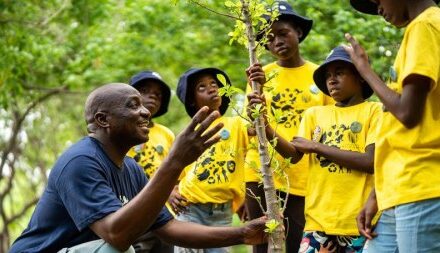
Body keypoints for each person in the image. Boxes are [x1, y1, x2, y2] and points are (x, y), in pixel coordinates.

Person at [9, 83, 267, 253]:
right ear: (102, 119)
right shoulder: (80, 161)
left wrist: (242, 233)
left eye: (143, 105)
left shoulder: (131, 170)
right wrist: (175, 163)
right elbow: (117, 234)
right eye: (133, 105)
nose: (146, 112)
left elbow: (170, 229)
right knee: (120, 248)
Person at [248, 46, 381, 252]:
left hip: (358, 221)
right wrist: (264, 124)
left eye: (339, 73)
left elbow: (370, 162)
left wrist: (317, 147)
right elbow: (293, 155)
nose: (332, 79)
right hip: (318, 221)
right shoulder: (314, 114)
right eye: (328, 75)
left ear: (361, 77)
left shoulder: (375, 111)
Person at [346, 0, 440, 252]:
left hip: (422, 187)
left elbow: (407, 113)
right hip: (399, 190)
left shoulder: (425, 26)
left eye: (377, 0)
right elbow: (399, 130)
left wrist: (364, 69)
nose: (377, 9)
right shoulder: (421, 28)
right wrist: (376, 196)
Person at [244, 1, 332, 252]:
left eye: (283, 33)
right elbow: (250, 128)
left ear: (299, 33)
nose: (277, 42)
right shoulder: (259, 76)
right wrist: (255, 93)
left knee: (295, 244)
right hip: (262, 172)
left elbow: (328, 130)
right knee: (263, 246)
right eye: (269, 39)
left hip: (303, 176)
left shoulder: (320, 76)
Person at [171, 67, 249, 253]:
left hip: (222, 215)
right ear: (192, 100)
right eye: (202, 87)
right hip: (190, 210)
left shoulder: (237, 124)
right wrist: (170, 192)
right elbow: (173, 172)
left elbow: (259, 129)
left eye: (214, 84)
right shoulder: (189, 133)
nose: (212, 89)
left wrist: (256, 88)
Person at [126, 71, 175, 253]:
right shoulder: (123, 130)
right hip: (134, 211)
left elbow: (175, 171)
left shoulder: (166, 134)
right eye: (145, 90)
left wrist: (172, 191)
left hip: (164, 214)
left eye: (158, 94)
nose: (153, 95)